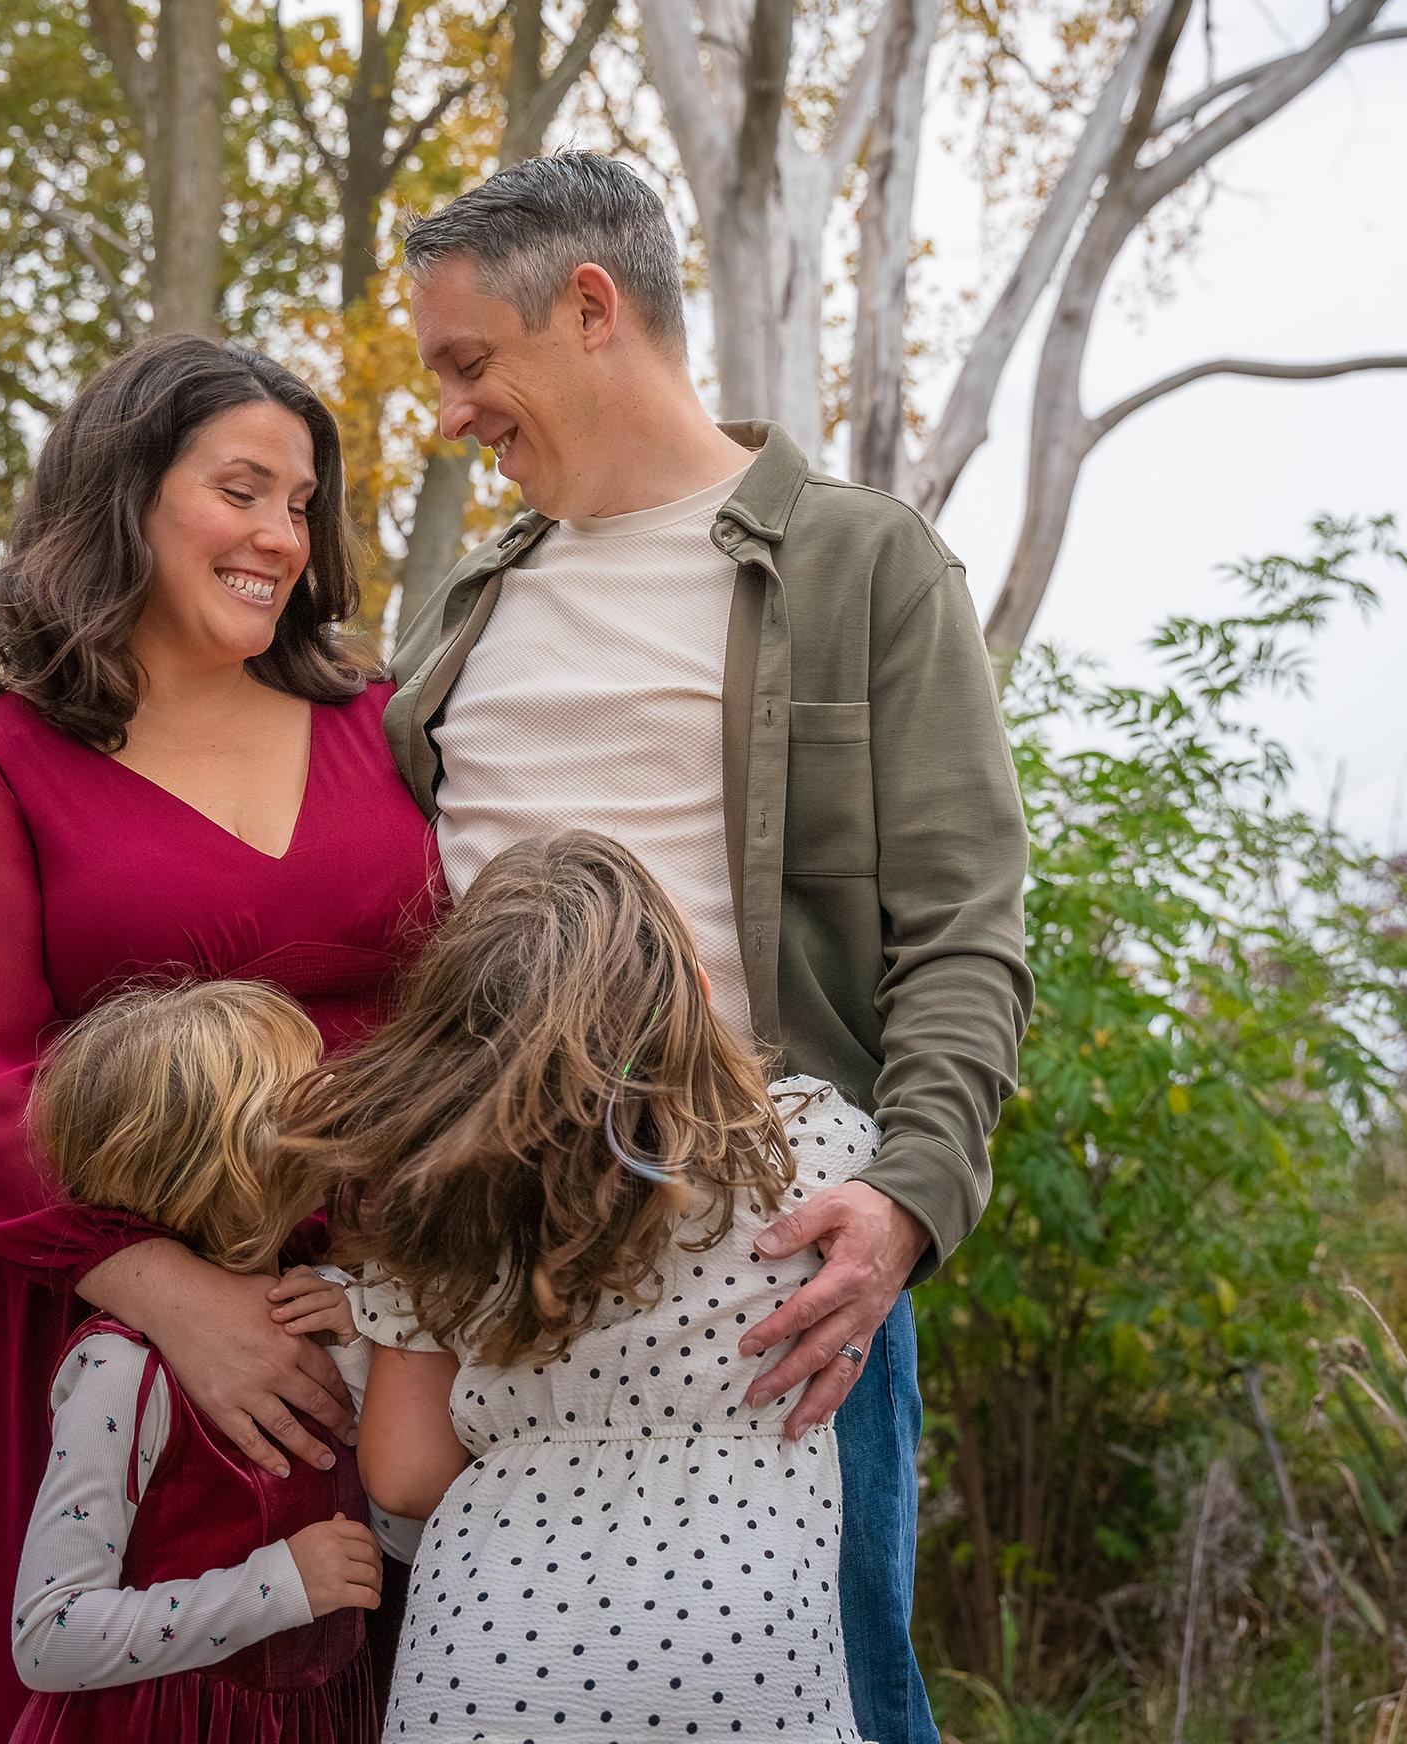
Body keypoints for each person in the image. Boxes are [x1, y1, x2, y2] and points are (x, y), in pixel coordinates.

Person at [384, 152, 1034, 1742]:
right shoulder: (466, 612)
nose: (450, 414)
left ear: (589, 308)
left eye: (469, 362)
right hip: (495, 1275)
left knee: (847, 1698)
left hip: (772, 1281)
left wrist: (906, 1200)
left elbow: (965, 933)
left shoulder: (859, 564)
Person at [0, 335, 442, 1743]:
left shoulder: (386, 728)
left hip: (367, 1320)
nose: (279, 537)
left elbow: (469, 1007)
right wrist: (175, 1299)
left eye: (300, 504)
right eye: (240, 491)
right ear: (123, 494)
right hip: (89, 1317)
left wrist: (401, 1282)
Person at [277, 830, 884, 1741]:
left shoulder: (432, 1199)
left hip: (485, 1662)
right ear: (698, 992)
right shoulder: (818, 1148)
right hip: (742, 1663)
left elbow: (405, 1477)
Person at [6, 979, 389, 1744]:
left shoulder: (329, 1312)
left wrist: (362, 1343)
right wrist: (275, 1587)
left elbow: (393, 1524)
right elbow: (48, 1635)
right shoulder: (124, 1372)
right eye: (303, 1094)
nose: (335, 1097)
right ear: (232, 1164)